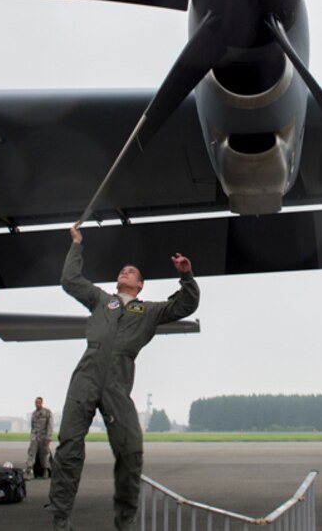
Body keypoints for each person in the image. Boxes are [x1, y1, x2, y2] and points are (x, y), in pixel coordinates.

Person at [48, 225, 199, 531]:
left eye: (132, 271)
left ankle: (125, 523)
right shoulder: (102, 300)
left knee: (131, 450)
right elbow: (70, 280)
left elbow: (185, 305)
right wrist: (76, 244)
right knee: (68, 449)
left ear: (140, 285)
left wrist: (186, 276)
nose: (125, 271)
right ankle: (61, 521)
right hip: (86, 375)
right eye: (123, 270)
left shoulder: (149, 311)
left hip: (118, 381)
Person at [25, 396, 54, 480]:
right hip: (35, 438)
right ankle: (28, 472)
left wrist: (48, 437)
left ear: (42, 403)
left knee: (43, 456)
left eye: (38, 402)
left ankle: (45, 471)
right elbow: (32, 426)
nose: (37, 404)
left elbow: (50, 425)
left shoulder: (47, 412)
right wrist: (32, 437)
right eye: (36, 402)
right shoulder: (34, 414)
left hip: (43, 438)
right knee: (31, 455)